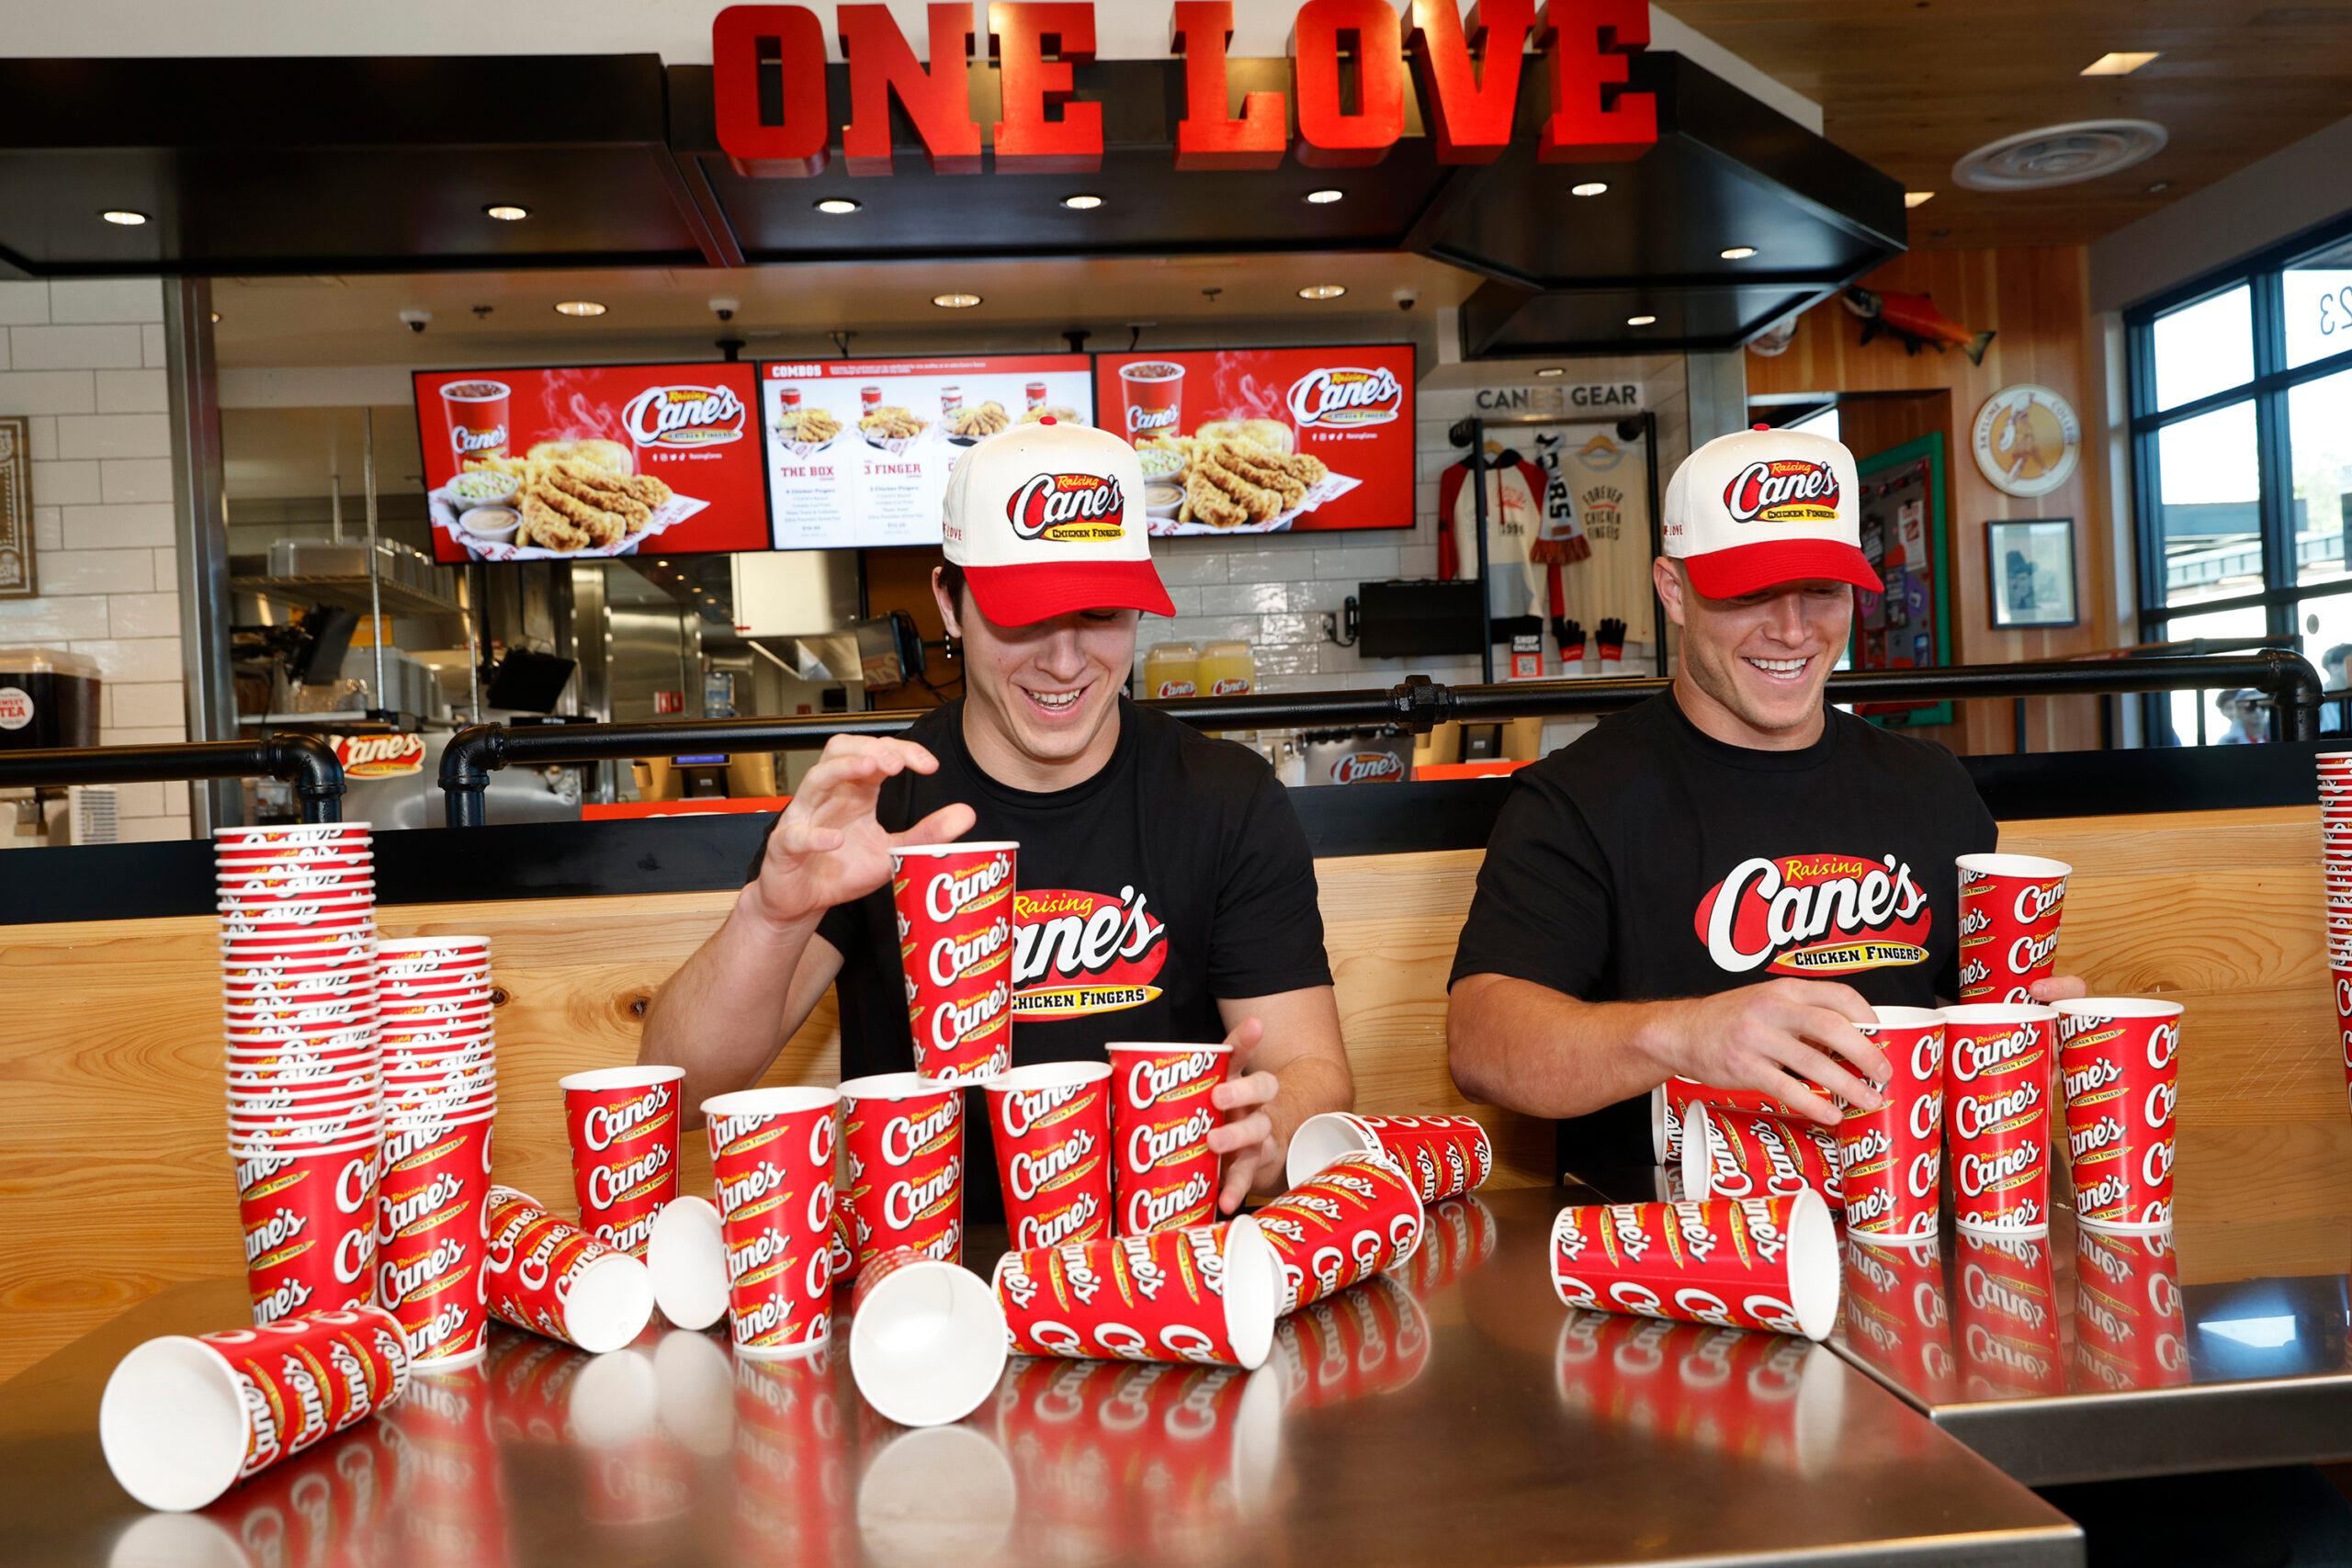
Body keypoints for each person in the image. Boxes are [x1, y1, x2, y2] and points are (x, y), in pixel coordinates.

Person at [641, 418, 1351, 1216]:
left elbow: (1311, 1068)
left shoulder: (1226, 796)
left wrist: (1270, 1133)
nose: (1064, 659)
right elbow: (680, 1084)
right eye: (1023, 614)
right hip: (926, 1275)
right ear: (950, 602)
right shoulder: (880, 801)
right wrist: (773, 914)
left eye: (1101, 612)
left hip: (1161, 1265)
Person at [1446, 424, 2084, 1168]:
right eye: (1750, 591)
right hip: (1673, 1262)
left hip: (1898, 1226)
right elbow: (1482, 1044)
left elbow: (1962, 1011)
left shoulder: (1932, 786)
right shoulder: (1577, 796)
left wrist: (2025, 1031)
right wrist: (1686, 1035)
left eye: (1821, 590)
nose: (1792, 629)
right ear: (1673, 590)